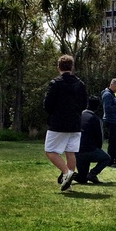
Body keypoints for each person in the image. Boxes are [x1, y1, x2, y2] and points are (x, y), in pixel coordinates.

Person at [44, 54, 87, 192]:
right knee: (71, 152)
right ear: (72, 67)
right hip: (75, 123)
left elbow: (47, 105)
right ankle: (67, 183)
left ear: (59, 67)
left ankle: (66, 172)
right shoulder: (80, 84)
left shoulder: (55, 83)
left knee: (50, 151)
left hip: (58, 123)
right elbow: (84, 104)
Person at [75, 96, 110, 184]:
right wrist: (97, 149)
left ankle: (68, 174)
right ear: (97, 107)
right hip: (89, 149)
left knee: (83, 179)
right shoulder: (95, 119)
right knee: (107, 158)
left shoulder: (78, 115)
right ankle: (93, 173)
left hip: (77, 151)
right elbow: (100, 138)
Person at [101, 78, 116, 167]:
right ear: (111, 85)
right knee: (113, 142)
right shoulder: (107, 95)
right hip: (111, 121)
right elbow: (107, 108)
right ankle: (110, 160)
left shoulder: (113, 94)